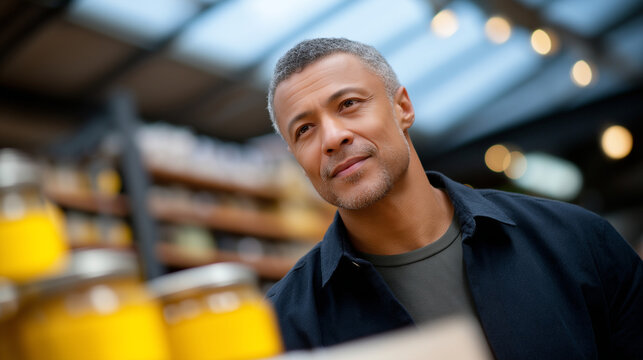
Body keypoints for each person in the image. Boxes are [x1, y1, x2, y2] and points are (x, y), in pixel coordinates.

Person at [265, 38, 643, 359]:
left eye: (348, 104)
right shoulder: (282, 326)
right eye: (304, 130)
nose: (332, 137)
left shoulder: (576, 241)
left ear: (403, 108)